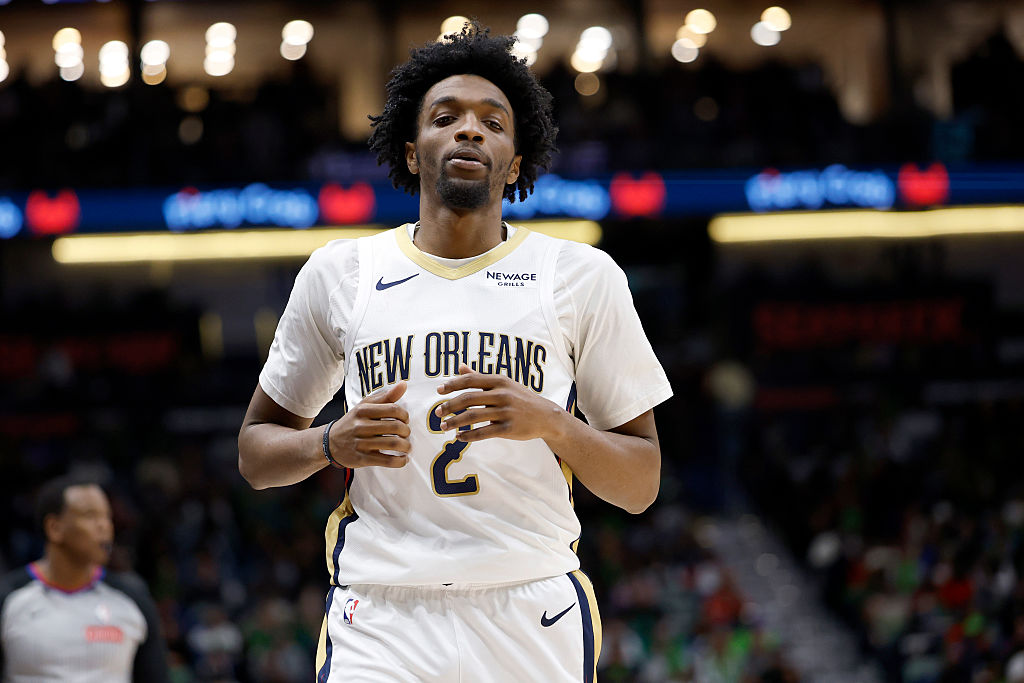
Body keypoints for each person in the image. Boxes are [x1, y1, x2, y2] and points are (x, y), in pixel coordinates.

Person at [238, 23, 672, 683]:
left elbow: (641, 484)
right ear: (412, 152)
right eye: (446, 118)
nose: (470, 131)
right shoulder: (341, 273)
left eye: (493, 123)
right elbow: (255, 453)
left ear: (517, 162)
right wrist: (330, 441)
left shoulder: (581, 277)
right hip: (381, 612)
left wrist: (555, 423)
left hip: (530, 607)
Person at [0, 476, 170, 683]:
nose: (104, 526)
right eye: (91, 515)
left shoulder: (134, 602)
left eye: (107, 516)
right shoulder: (8, 598)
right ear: (54, 528)